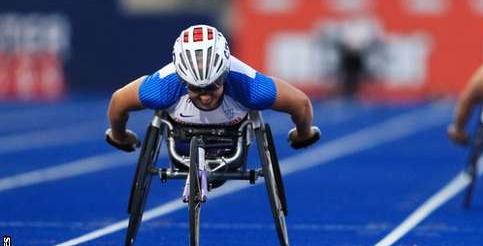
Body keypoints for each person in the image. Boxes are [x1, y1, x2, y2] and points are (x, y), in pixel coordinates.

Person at [106, 24, 321, 155]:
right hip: (181, 135)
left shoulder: (250, 88)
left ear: (224, 74)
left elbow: (300, 104)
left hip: (233, 135)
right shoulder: (162, 88)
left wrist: (303, 134)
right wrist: (120, 135)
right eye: (196, 89)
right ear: (182, 79)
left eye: (212, 87)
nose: (206, 97)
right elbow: (118, 102)